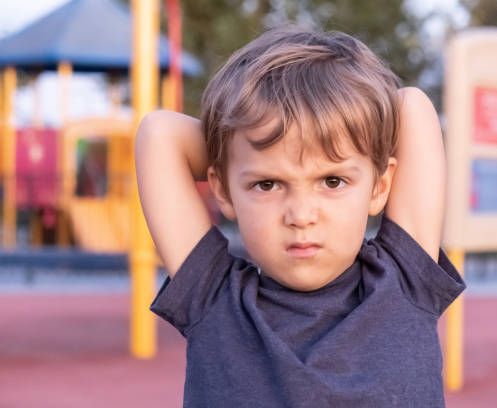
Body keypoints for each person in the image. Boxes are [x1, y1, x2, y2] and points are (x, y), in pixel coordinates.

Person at [135, 23, 465, 408]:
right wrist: (243, 148)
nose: (301, 215)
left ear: (378, 186)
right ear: (223, 189)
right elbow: (159, 134)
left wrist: (261, 149)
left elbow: (411, 106)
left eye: (333, 180)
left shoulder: (404, 280)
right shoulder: (212, 297)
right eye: (268, 185)